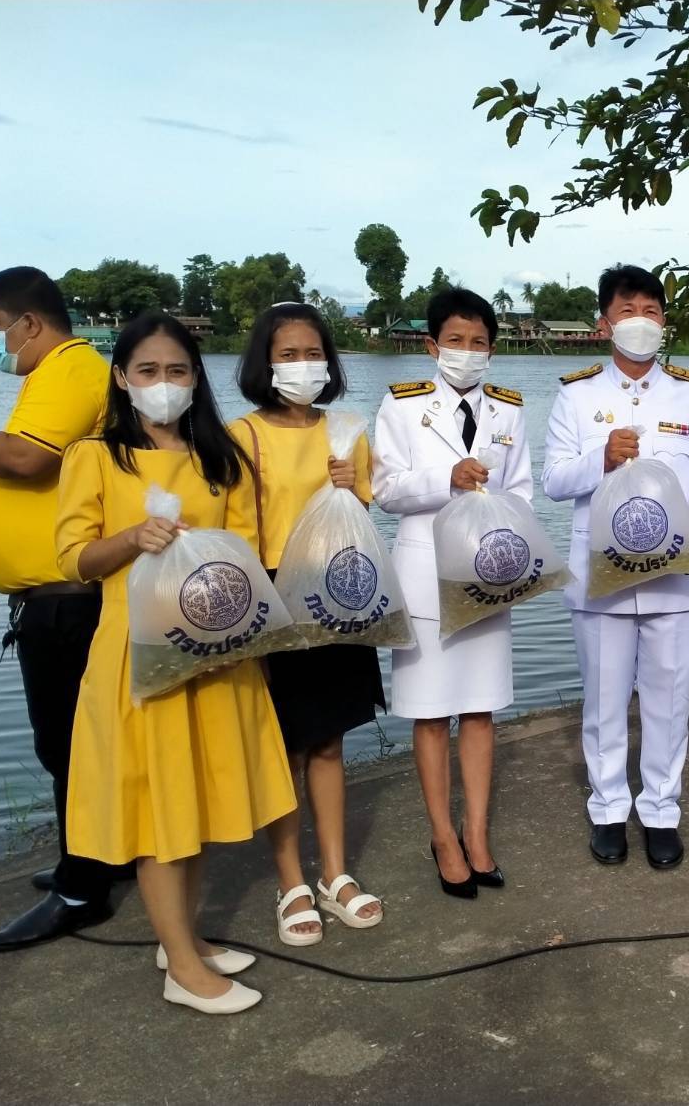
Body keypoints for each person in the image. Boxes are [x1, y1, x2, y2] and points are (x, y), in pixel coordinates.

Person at [55, 312, 296, 1013]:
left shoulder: (219, 457)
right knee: (161, 810)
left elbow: (244, 550)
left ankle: (181, 938)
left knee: (198, 796)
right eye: (149, 371)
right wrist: (133, 537)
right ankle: (183, 969)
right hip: (142, 656)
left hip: (215, 649)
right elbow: (73, 558)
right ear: (121, 378)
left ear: (196, 378)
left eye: (178, 370)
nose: (163, 383)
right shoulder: (95, 457)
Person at [0, 266, 122, 950]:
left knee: (70, 745)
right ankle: (101, 857)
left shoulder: (70, 370)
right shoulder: (52, 377)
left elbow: (24, 458)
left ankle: (82, 888)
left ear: (30, 323)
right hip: (52, 600)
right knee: (72, 743)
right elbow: (37, 469)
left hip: (69, 600)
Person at [544, 264, 689, 869]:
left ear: (664, 321)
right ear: (605, 323)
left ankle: (661, 810)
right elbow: (553, 481)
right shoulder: (576, 396)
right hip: (601, 577)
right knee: (603, 701)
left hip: (674, 574)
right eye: (628, 311)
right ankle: (607, 808)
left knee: (668, 699)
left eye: (651, 311)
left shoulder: (688, 394)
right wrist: (599, 459)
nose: (641, 322)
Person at [231, 303, 384, 941]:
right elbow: (237, 532)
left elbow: (363, 514)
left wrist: (350, 487)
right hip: (275, 595)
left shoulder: (347, 429)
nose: (303, 365)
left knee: (328, 740)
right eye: (288, 355)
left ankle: (336, 873)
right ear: (265, 364)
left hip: (339, 590)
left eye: (313, 353)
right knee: (285, 745)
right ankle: (291, 878)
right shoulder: (243, 436)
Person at [374, 287, 532, 896]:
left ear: (492, 349)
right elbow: (386, 490)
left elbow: (522, 490)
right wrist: (448, 479)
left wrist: (501, 528)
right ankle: (443, 837)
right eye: (456, 341)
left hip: (488, 572)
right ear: (432, 345)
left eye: (479, 342)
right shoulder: (402, 404)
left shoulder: (508, 410)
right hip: (424, 574)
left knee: (480, 708)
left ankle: (477, 832)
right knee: (432, 712)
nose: (468, 352)